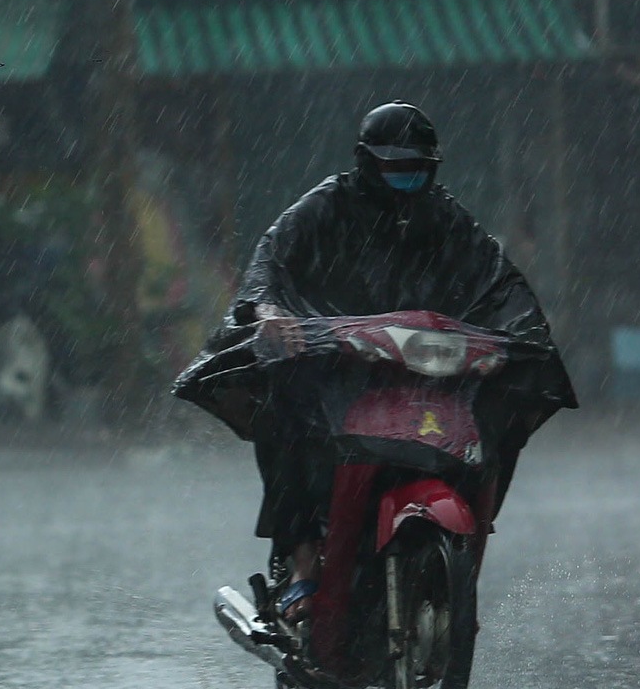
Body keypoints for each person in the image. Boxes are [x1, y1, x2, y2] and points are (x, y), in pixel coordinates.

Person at [174, 102, 575, 620]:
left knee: (497, 406)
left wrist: (526, 333)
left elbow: (500, 282)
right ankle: (302, 563)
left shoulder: (445, 217)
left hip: (421, 368)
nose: (408, 178)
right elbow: (270, 261)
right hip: (335, 360)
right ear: (366, 161)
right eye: (395, 166)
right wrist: (272, 312)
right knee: (286, 407)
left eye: (419, 168)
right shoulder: (326, 206)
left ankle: (461, 552)